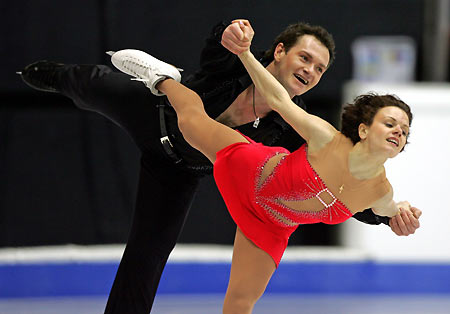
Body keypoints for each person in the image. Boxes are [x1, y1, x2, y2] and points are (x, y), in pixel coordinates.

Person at [19, 19, 421, 314]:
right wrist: (230, 35)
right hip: (156, 113)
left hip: (181, 168)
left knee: (149, 251)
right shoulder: (234, 64)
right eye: (305, 58)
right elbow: (217, 44)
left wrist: (390, 217)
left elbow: (344, 187)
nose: (311, 72)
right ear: (279, 51)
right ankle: (139, 77)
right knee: (88, 83)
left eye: (320, 69)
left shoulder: (299, 129)